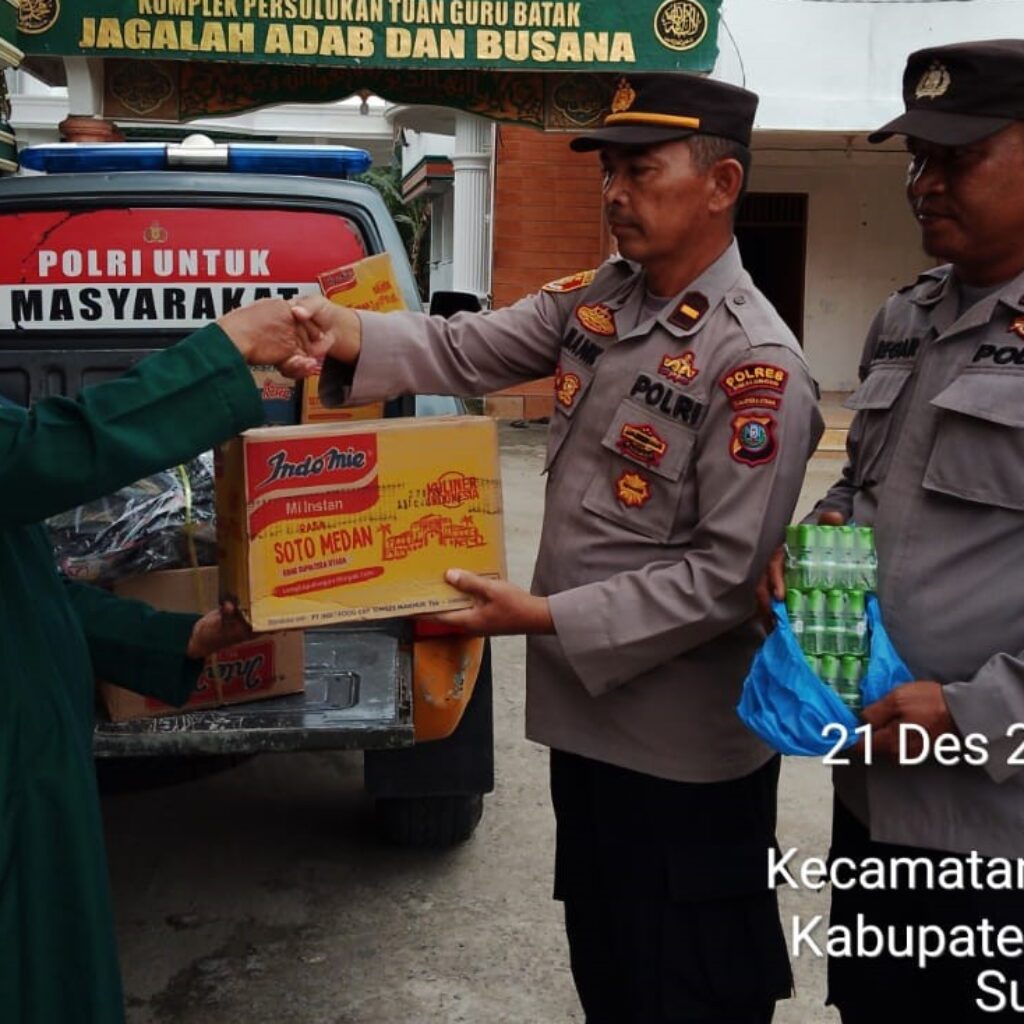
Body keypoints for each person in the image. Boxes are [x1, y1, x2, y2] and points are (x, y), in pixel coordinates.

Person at [291, 73, 824, 1023]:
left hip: (683, 763)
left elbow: (722, 578)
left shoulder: (755, 366)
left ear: (721, 183)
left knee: (690, 989)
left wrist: (533, 617)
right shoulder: (599, 300)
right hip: (589, 735)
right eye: (608, 170)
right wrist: (343, 333)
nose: (615, 193)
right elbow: (466, 349)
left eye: (642, 170)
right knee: (613, 979)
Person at [764, 38, 1024, 1024]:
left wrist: (970, 713)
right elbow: (865, 494)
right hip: (879, 794)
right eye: (915, 156)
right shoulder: (904, 320)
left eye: (955, 156)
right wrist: (814, 548)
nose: (923, 183)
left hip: (999, 823)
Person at [0, 299, 317, 1023]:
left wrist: (179, 638)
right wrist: (219, 352)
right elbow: (45, 454)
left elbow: (27, 589)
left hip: (36, 784)